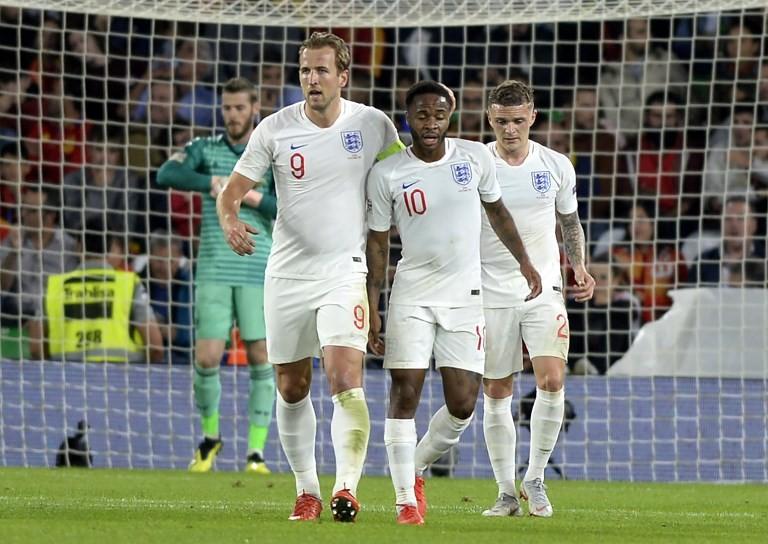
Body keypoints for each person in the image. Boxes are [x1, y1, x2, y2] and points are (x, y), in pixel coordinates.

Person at [217, 32, 404, 522]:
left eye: (322, 70)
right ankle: (306, 491)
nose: (312, 79)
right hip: (287, 274)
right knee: (292, 386)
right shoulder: (275, 129)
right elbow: (231, 192)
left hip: (345, 272)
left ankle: (346, 489)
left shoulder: (374, 125)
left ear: (343, 75)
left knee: (346, 380)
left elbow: (404, 179)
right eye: (305, 70)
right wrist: (231, 221)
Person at [365, 81, 542, 525]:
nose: (430, 123)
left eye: (438, 115)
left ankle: (418, 467)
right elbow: (380, 245)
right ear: (407, 117)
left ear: (451, 116)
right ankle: (405, 499)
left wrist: (527, 263)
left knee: (463, 403)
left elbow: (498, 212)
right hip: (412, 295)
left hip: (465, 296)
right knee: (405, 391)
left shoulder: (476, 158)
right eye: (421, 115)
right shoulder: (388, 173)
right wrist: (373, 304)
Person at [479, 80, 595, 518]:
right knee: (497, 389)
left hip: (545, 288)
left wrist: (578, 266)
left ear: (534, 117)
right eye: (503, 121)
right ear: (491, 118)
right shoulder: (475, 163)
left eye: (519, 121)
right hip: (491, 289)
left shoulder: (556, 164)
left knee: (551, 379)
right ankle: (506, 491)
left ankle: (536, 478)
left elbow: (569, 222)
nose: (511, 130)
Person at [156, 78, 277, 474]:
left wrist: (252, 197)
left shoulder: (268, 153)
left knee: (261, 357)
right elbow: (166, 174)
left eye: (240, 108)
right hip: (213, 267)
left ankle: (256, 453)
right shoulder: (205, 149)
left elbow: (288, 206)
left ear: (255, 108)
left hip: (258, 268)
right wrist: (209, 182)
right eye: (227, 108)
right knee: (207, 357)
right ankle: (210, 439)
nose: (233, 115)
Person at [30, 218, 164, 363]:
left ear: (78, 246)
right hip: (122, 379)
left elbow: (36, 349)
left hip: (65, 378)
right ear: (108, 246)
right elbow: (156, 348)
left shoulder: (53, 286)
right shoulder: (130, 284)